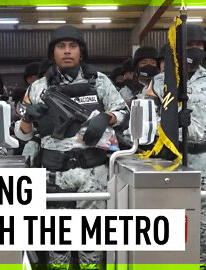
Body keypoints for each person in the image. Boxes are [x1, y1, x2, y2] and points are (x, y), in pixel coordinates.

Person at [14, 25, 128, 270]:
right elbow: (22, 137)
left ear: (81, 52)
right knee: (58, 243)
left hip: (93, 174)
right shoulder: (38, 87)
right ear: (52, 53)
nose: (67, 52)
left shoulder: (99, 81)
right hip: (55, 174)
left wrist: (106, 118)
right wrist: (27, 118)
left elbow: (123, 112)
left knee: (91, 241)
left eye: (72, 46)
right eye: (61, 46)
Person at [151, 23, 206, 266]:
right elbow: (145, 122)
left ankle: (198, 263)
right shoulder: (160, 82)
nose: (195, 50)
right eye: (189, 46)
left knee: (203, 220)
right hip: (168, 159)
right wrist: (170, 119)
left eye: (199, 46)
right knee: (168, 218)